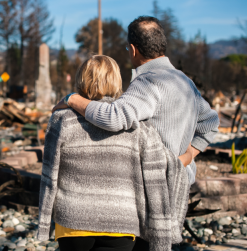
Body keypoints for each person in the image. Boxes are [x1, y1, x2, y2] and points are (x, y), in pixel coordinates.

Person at [53, 17, 220, 249]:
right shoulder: (185, 82)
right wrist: (186, 157)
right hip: (179, 183)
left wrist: (72, 99)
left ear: (133, 49)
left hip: (152, 188)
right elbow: (211, 122)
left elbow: (113, 117)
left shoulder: (148, 83)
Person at [37, 55, 190, 251]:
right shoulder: (138, 126)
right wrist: (188, 156)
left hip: (72, 221)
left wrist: (43, 222)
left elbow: (49, 174)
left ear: (80, 80)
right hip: (121, 222)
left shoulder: (61, 119)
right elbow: (155, 177)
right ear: (117, 80)